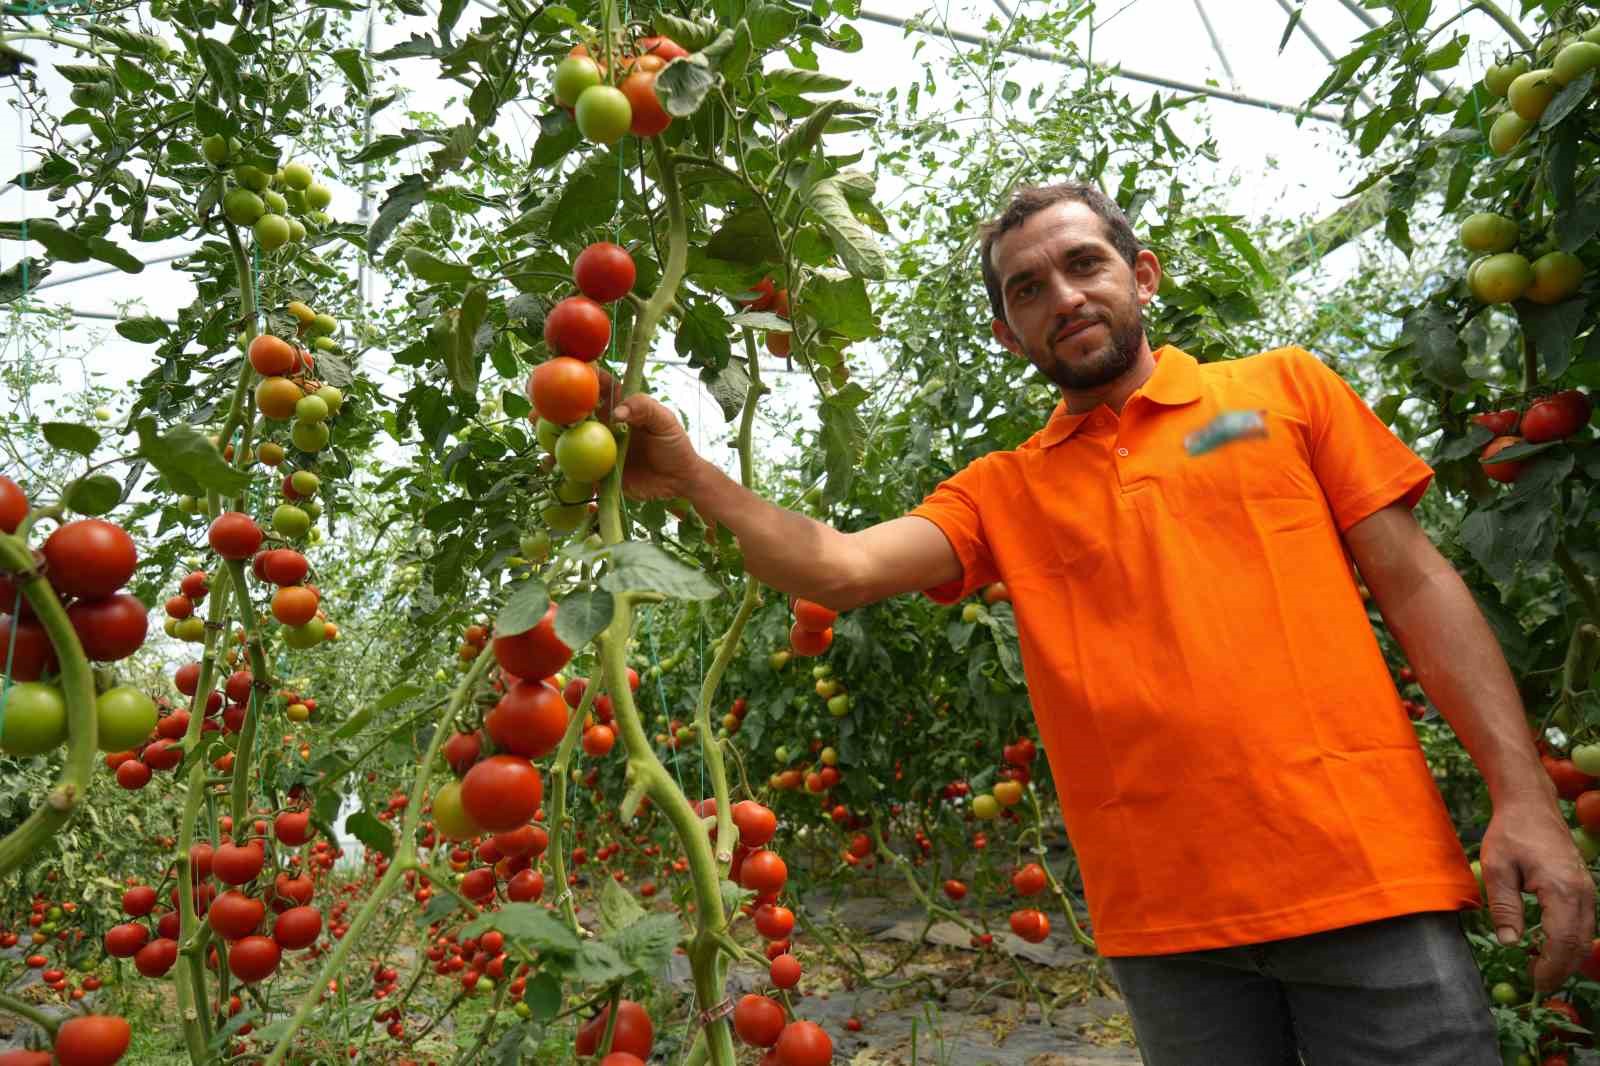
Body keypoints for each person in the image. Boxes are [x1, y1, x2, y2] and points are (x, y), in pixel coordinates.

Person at [605, 182, 1593, 1064]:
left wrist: (1526, 798)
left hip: (1366, 884)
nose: (1063, 296)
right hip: (1165, 933)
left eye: (1083, 263)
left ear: (1142, 274)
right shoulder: (1002, 492)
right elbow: (838, 565)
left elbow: (1418, 585)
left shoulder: (1281, 395)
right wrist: (695, 477)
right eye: (1026, 289)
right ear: (1007, 333)